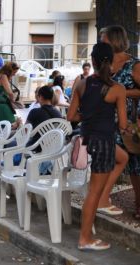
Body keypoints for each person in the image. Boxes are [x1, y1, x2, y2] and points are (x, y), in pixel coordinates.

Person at [67, 42, 128, 251]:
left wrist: (89, 115)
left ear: (92, 61)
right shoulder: (117, 89)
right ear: (110, 62)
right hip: (104, 143)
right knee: (94, 193)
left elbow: (70, 116)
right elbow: (122, 124)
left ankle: (98, 213)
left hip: (86, 140)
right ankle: (85, 239)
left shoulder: (81, 84)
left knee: (119, 161)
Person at [100, 25, 140, 219]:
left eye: (104, 40)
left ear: (114, 40)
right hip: (108, 120)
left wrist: (121, 92)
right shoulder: (105, 63)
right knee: (112, 158)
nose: (101, 44)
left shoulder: (134, 65)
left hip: (130, 122)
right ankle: (102, 199)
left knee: (135, 165)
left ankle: (139, 204)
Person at [0, 62, 21, 128]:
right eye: (14, 72)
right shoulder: (3, 77)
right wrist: (13, 99)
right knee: (8, 126)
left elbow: (0, 89)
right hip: (2, 106)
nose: (14, 75)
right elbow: (10, 92)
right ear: (9, 71)